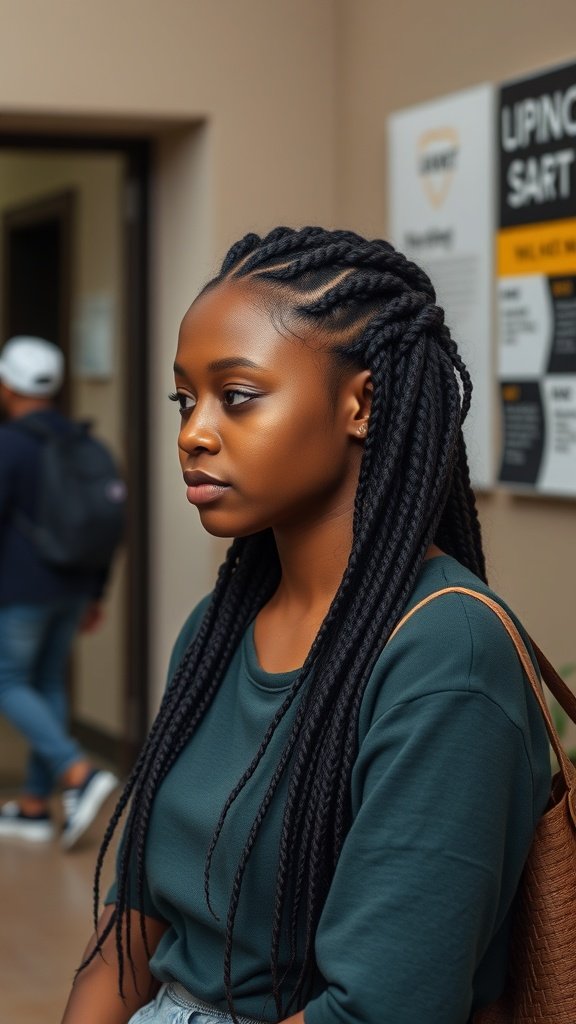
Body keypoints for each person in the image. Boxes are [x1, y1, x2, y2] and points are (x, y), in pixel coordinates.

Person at [62, 227, 551, 1024]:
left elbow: (381, 1011)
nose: (193, 432)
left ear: (360, 404)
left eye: (237, 395)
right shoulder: (218, 628)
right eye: (185, 400)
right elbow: (128, 930)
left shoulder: (444, 656)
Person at [0, 335, 118, 850]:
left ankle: (77, 772)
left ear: (7, 386)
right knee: (46, 681)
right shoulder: (86, 443)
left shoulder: (10, 444)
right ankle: (32, 806)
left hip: (22, 588)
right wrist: (96, 592)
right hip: (75, 586)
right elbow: (107, 521)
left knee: (7, 679)